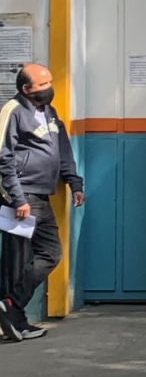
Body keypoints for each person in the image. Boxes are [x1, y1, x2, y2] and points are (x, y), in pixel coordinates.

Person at [0, 64, 84, 342]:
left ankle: (11, 306)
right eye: (42, 83)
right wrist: (17, 198)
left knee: (51, 254)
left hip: (41, 197)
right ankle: (16, 320)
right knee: (16, 260)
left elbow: (62, 150)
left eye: (49, 81)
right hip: (22, 199)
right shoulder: (12, 111)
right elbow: (4, 157)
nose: (49, 87)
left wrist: (74, 182)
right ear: (26, 89)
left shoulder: (49, 112)